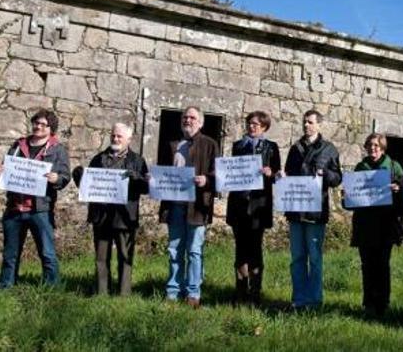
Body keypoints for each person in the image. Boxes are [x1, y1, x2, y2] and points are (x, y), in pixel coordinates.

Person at [0, 108, 70, 288]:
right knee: (10, 254)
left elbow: (65, 176)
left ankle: (52, 288)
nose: (39, 127)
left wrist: (56, 179)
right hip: (14, 208)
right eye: (36, 123)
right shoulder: (18, 145)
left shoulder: (58, 150)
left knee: (47, 253)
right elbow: (6, 173)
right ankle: (6, 286)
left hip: (40, 209)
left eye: (44, 124)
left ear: (51, 129)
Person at [73, 122, 149, 296]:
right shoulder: (98, 159)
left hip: (125, 216)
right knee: (101, 257)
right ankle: (101, 292)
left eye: (119, 136)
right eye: (113, 135)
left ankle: (124, 293)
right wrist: (79, 176)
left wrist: (137, 177)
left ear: (129, 139)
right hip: (101, 215)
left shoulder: (137, 160)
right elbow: (87, 186)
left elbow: (146, 188)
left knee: (125, 255)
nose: (115, 139)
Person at [157, 106, 218, 308]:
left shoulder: (210, 144)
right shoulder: (172, 144)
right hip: (174, 205)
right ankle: (173, 291)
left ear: (200, 122)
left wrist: (207, 180)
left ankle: (193, 293)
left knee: (194, 250)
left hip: (197, 206)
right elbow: (163, 172)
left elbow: (219, 175)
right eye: (185, 117)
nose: (188, 120)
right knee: (174, 249)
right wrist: (154, 180)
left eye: (192, 118)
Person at [282, 109, 342, 310]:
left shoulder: (329, 149)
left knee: (315, 258)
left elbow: (337, 179)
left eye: (310, 122)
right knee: (297, 258)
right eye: (304, 122)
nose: (306, 125)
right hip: (296, 211)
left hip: (316, 213)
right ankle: (298, 300)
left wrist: (325, 173)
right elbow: (288, 175)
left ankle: (314, 301)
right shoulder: (295, 148)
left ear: (319, 125)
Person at [347, 133, 403, 317]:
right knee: (367, 264)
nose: (373, 148)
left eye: (376, 145)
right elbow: (351, 197)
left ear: (382, 147)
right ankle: (369, 303)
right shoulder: (360, 167)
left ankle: (383, 302)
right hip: (365, 223)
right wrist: (348, 195)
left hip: (386, 223)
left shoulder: (394, 167)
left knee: (382, 264)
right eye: (369, 145)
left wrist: (398, 189)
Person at [226, 111, 281, 305]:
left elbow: (277, 176)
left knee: (255, 248)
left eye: (256, 124)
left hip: (259, 206)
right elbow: (231, 172)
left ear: (264, 127)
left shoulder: (272, 148)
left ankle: (255, 292)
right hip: (239, 204)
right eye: (249, 123)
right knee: (240, 249)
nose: (252, 127)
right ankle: (240, 291)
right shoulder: (238, 146)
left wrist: (270, 172)